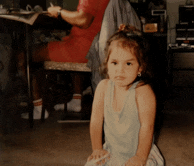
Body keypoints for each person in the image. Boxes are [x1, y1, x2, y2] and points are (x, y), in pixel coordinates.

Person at [85, 24, 164, 166]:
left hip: (141, 152)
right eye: (114, 63)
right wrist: (97, 148)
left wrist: (140, 157)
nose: (120, 70)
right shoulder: (103, 88)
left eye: (128, 63)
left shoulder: (143, 91)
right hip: (112, 151)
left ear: (140, 67)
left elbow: (147, 127)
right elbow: (96, 122)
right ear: (107, 64)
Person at [20, 0, 110, 119]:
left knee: (23, 55)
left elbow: (83, 20)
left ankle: (38, 109)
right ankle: (76, 101)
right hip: (95, 46)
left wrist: (59, 12)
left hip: (82, 49)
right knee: (65, 40)